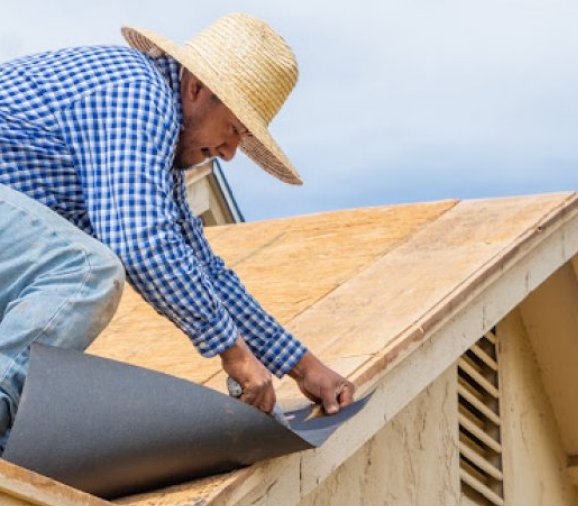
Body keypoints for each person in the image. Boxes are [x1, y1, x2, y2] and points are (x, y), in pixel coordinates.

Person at [0, 13, 355, 455]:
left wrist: (305, 369)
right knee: (88, 271)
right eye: (234, 130)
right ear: (196, 89)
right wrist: (235, 353)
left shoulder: (155, 152)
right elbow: (142, 242)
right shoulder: (137, 93)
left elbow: (204, 269)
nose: (228, 153)